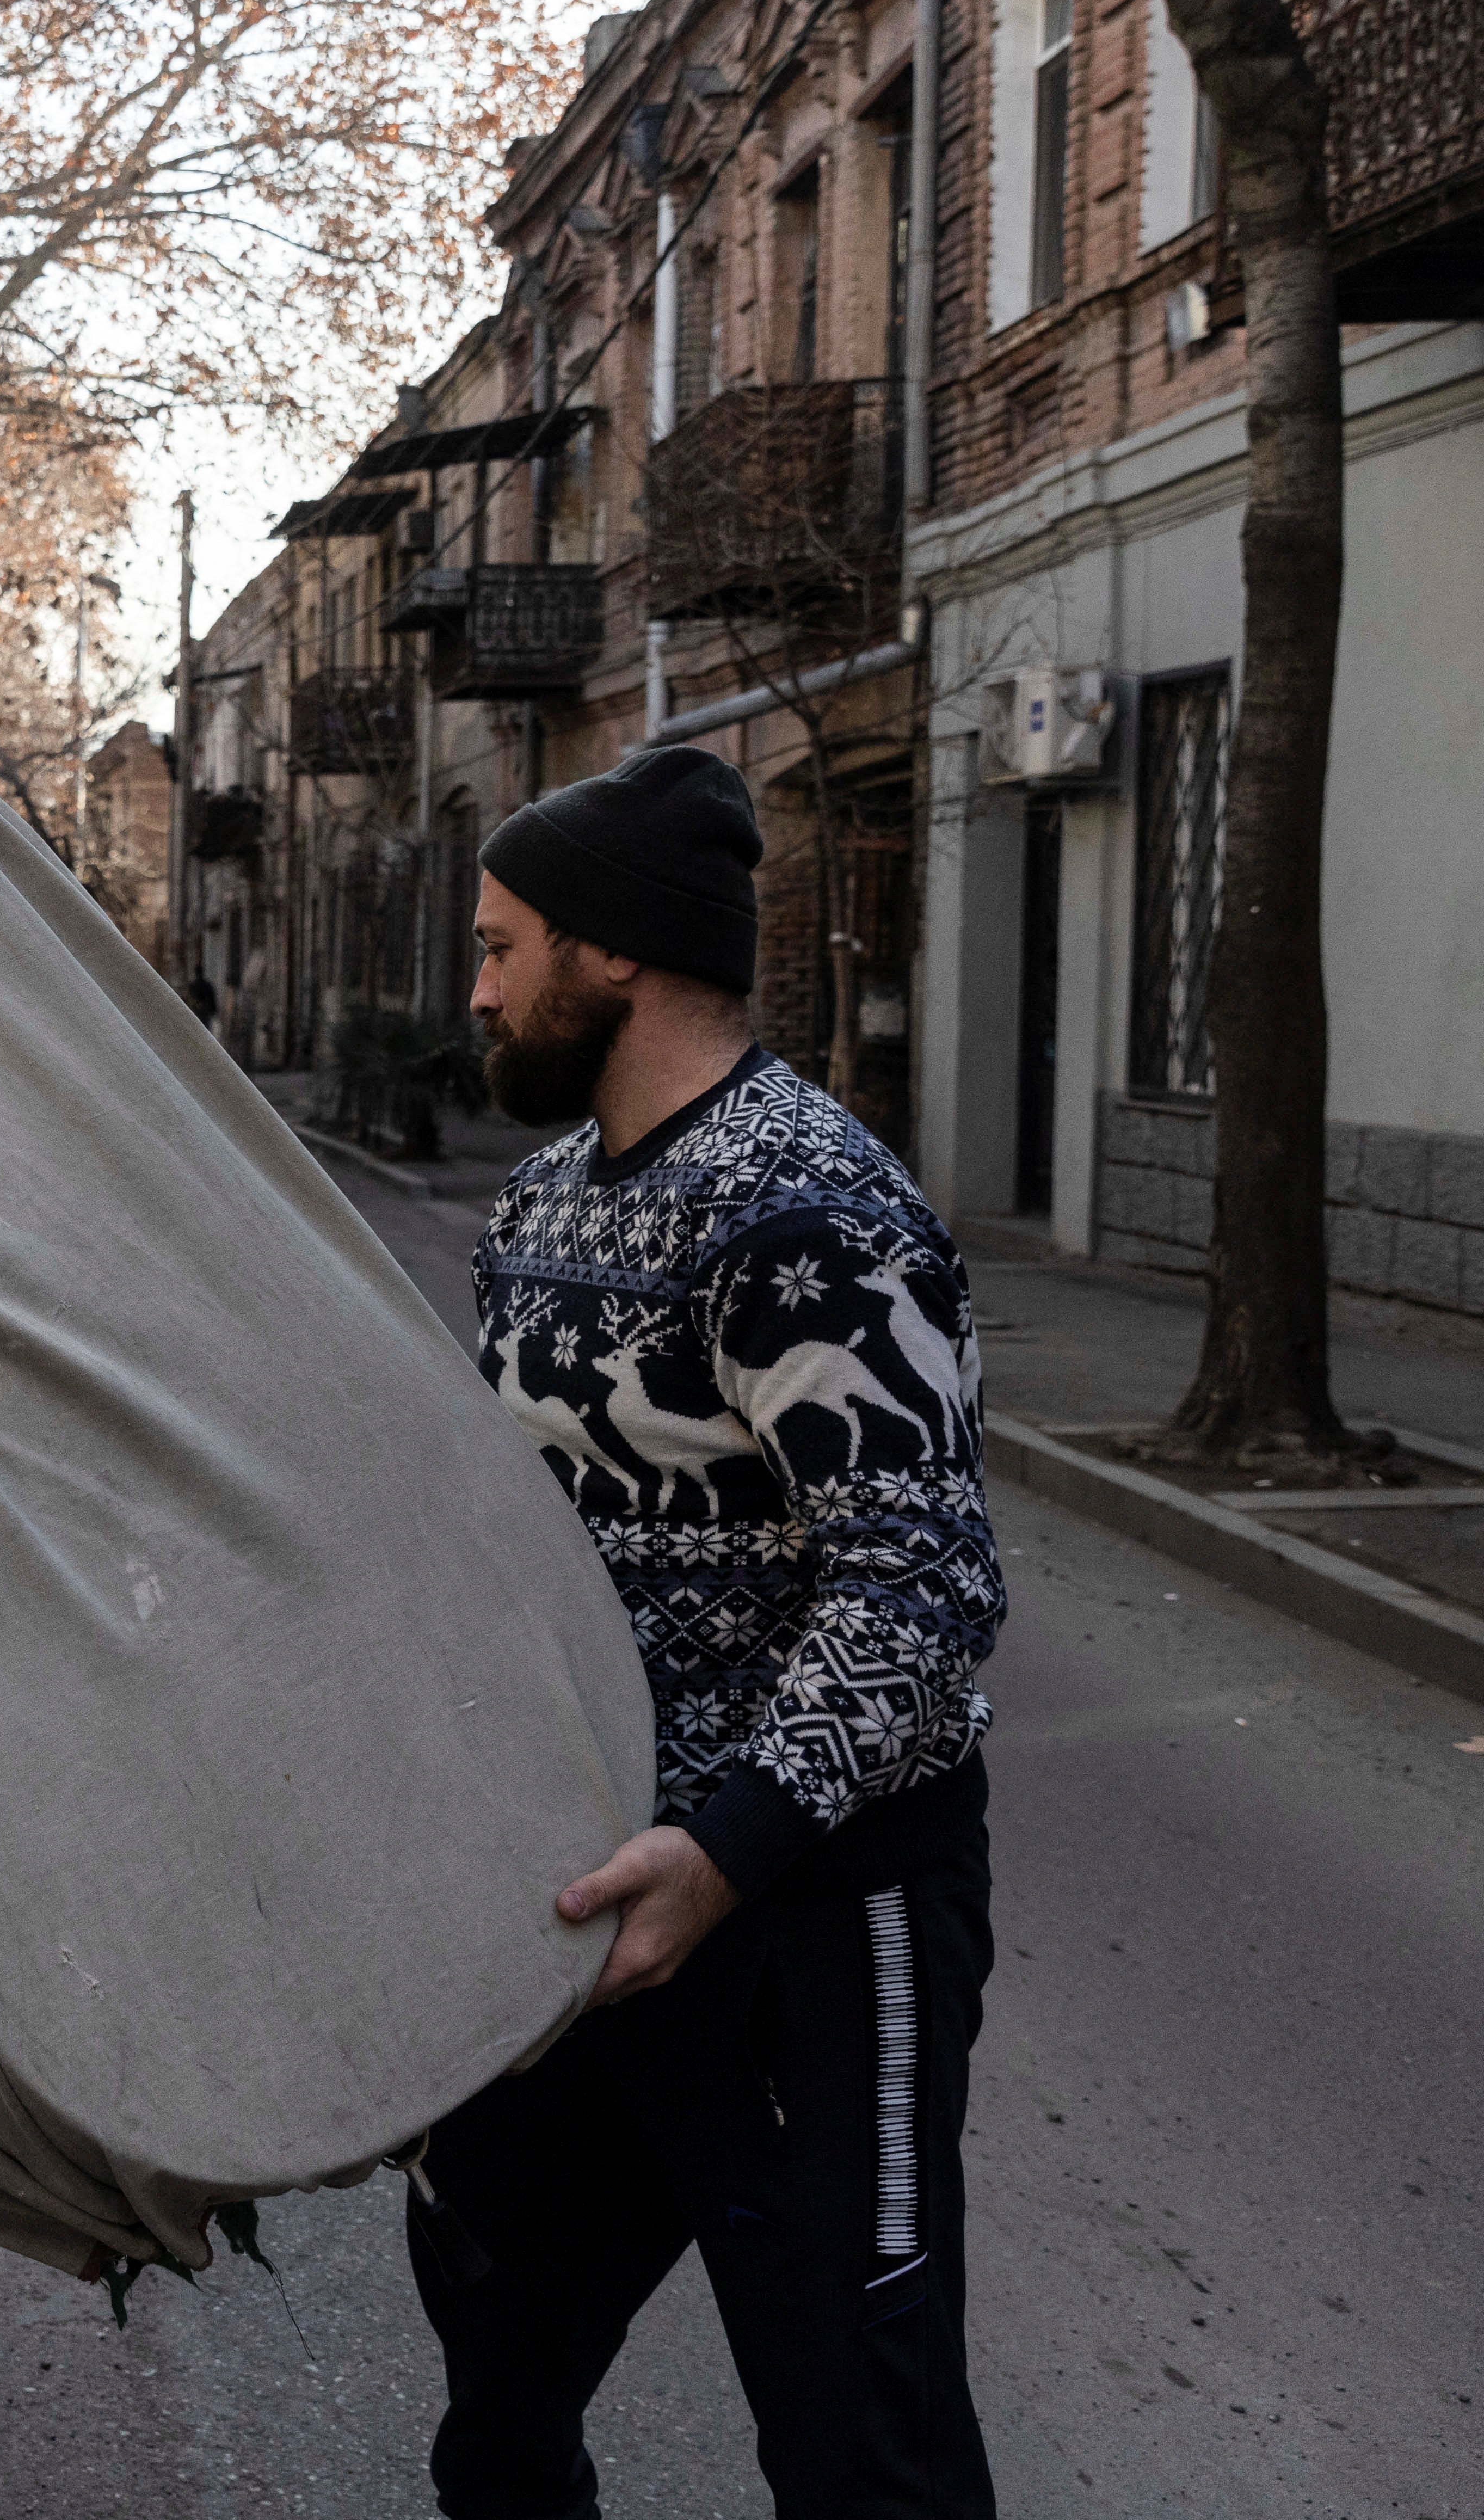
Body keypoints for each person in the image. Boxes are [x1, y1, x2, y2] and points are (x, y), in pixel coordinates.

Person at [416, 742, 1006, 2520]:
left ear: (616, 955)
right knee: (499, 2384)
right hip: (587, 1914)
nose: (481, 988)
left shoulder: (808, 1214)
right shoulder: (539, 1208)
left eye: (505, 945)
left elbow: (920, 1586)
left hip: (814, 1928)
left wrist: (731, 1845)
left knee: (861, 2448)